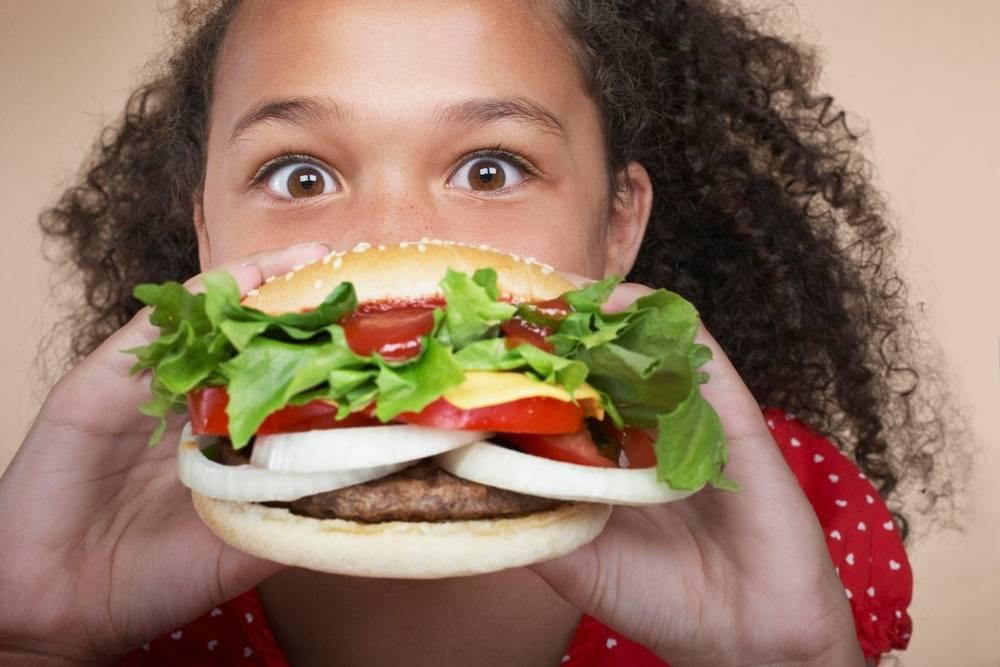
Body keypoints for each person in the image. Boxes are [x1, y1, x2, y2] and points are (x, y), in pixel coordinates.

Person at [0, 0, 951, 664]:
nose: (386, 239)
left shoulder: (788, 514)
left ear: (620, 224)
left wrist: (794, 662)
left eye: (491, 169)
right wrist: (32, 643)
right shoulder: (95, 537)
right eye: (299, 175)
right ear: (207, 229)